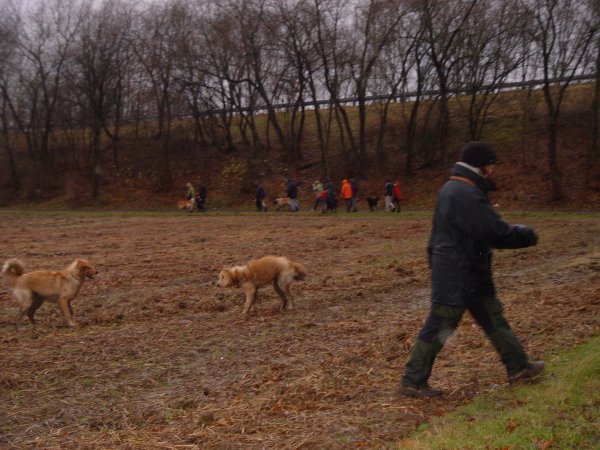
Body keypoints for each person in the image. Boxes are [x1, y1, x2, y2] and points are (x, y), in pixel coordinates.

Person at [399, 141, 544, 398]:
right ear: (483, 166)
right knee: (440, 323)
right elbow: (493, 231)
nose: (493, 170)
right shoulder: (464, 193)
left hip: (465, 271)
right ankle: (412, 382)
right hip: (458, 272)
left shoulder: (454, 188)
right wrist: (526, 235)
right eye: (492, 165)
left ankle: (519, 368)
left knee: (493, 317)